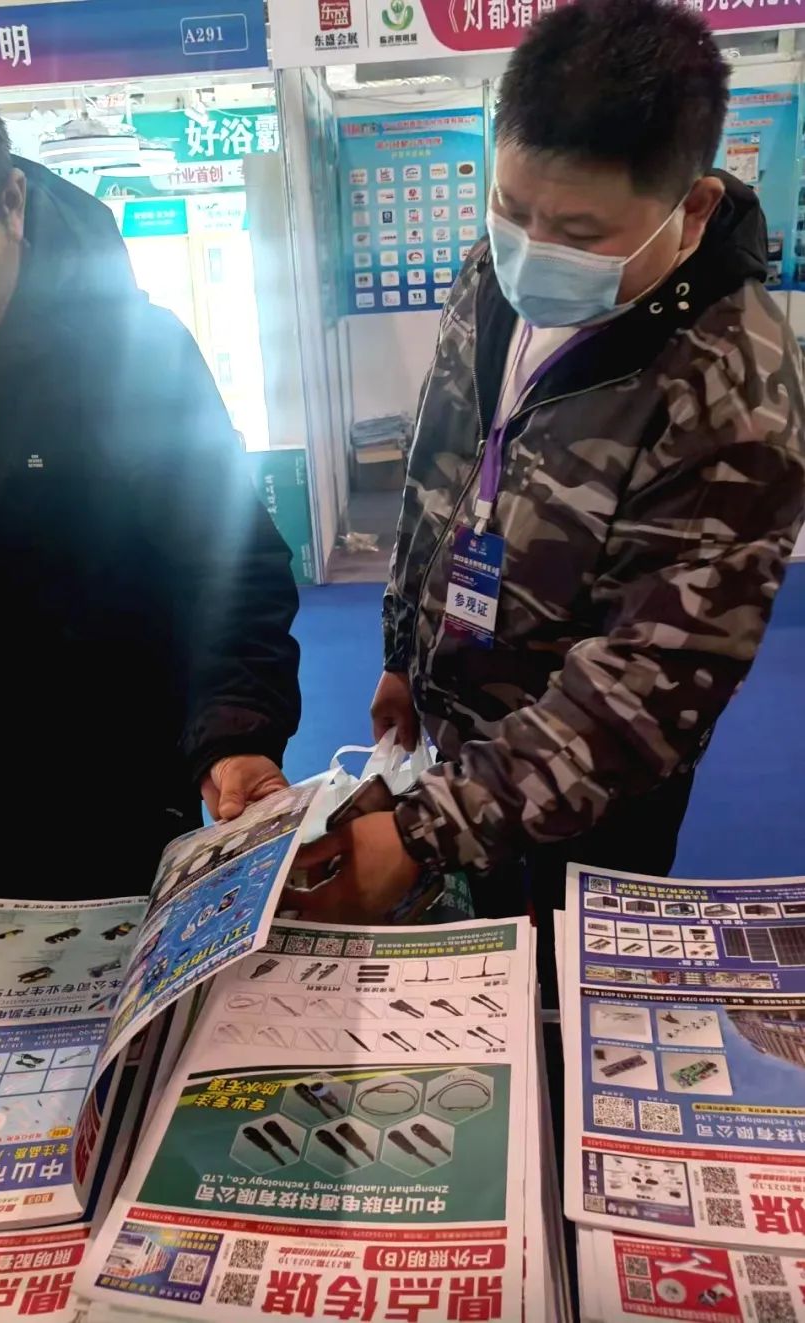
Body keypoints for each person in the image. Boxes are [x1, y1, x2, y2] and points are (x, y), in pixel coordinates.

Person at [293, 0, 805, 976]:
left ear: (693, 208)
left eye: (577, 230)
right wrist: (404, 650)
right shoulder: (496, 273)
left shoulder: (734, 389)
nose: (530, 248)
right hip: (456, 734)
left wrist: (426, 832)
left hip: (587, 791)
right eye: (512, 207)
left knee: (565, 991)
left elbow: (645, 692)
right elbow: (440, 465)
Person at [0, 38, 300, 899]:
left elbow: (233, 563)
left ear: (9, 202)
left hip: (122, 777)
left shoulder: (131, 353)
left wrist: (236, 730)